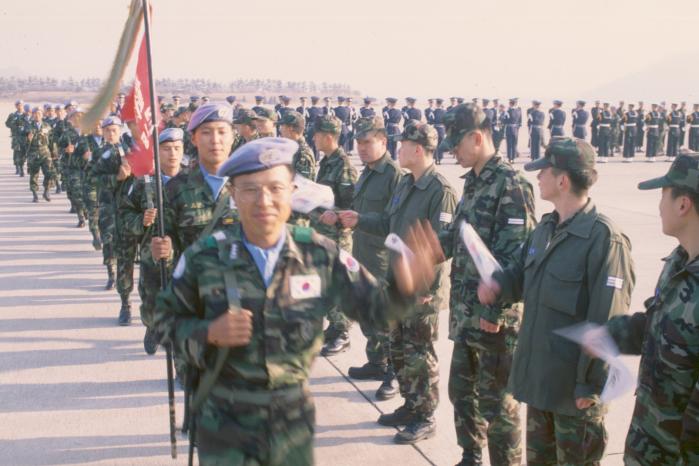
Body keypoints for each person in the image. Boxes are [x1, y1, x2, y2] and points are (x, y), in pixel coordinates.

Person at [154, 137, 443, 465]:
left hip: (291, 425)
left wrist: (404, 289)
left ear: (292, 192)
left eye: (275, 188)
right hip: (224, 423)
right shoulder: (205, 256)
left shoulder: (318, 253)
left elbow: (377, 313)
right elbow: (163, 321)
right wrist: (208, 333)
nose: (264, 201)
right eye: (250, 189)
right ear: (233, 195)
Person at [478, 137, 636, 465]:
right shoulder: (546, 228)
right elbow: (521, 276)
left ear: (562, 180)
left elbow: (607, 321)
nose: (538, 177)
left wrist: (589, 387)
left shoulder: (604, 240)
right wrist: (497, 285)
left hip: (573, 397)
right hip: (542, 386)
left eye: (544, 172)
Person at [339, 121, 457, 444]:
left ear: (418, 150)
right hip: (396, 283)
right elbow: (390, 225)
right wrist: (360, 219)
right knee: (401, 351)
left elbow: (443, 245)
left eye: (402, 145)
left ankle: (425, 415)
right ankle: (409, 405)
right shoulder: (406, 184)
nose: (398, 150)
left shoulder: (441, 192)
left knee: (421, 355)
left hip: (421, 290)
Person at [581, 153, 699, 466]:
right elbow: (659, 324)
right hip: (648, 446)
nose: (659, 206)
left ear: (683, 204)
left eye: (663, 195)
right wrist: (610, 335)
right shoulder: (679, 260)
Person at [439, 103, 536, 466]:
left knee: (498, 407)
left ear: (476, 137)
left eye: (456, 143)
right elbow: (459, 237)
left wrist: (493, 310)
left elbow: (515, 257)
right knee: (462, 394)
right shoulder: (475, 183)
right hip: (467, 314)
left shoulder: (510, 184)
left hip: (492, 320)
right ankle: (470, 456)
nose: (453, 151)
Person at [344, 116, 402, 400]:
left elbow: (394, 220)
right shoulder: (366, 172)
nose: (362, 148)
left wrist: (360, 219)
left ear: (383, 142)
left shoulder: (393, 175)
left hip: (381, 258)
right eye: (359, 143)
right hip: (361, 253)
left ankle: (393, 370)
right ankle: (377, 362)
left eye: (368, 142)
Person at [118, 127, 184, 354]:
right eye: (166, 149)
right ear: (157, 152)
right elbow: (125, 214)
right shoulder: (144, 183)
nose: (172, 154)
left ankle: (179, 359)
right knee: (151, 299)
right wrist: (141, 220)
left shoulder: (192, 182)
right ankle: (151, 325)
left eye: (177, 148)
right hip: (151, 254)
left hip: (184, 255)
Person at [311, 115, 358, 356]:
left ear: (329, 136)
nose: (314, 138)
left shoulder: (344, 166)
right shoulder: (327, 162)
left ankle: (343, 332)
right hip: (324, 234)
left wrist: (335, 214)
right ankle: (334, 325)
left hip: (338, 237)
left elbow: (351, 207)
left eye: (317, 134)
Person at [91, 115, 135, 324]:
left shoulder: (131, 147)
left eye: (114, 129)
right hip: (110, 208)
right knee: (113, 246)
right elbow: (92, 177)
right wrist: (115, 178)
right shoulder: (100, 153)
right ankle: (125, 303)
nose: (111, 133)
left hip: (134, 208)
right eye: (108, 130)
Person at [24, 107, 55, 203]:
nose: (37, 115)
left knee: (49, 173)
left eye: (39, 113)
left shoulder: (47, 126)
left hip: (45, 153)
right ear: (32, 115)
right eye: (35, 113)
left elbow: (52, 141)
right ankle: (35, 194)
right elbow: (22, 142)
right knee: (34, 175)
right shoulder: (28, 126)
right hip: (33, 153)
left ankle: (46, 191)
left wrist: (54, 153)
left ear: (42, 115)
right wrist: (27, 139)